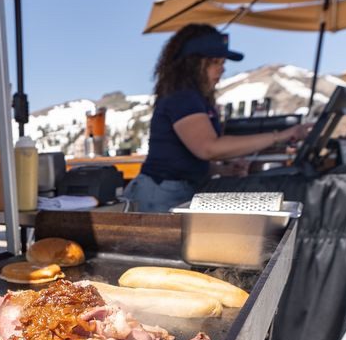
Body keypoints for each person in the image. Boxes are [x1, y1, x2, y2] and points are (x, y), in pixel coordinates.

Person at [123, 24, 312, 212]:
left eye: (223, 63)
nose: (222, 69)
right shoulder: (182, 97)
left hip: (177, 190)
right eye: (215, 62)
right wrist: (280, 136)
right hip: (160, 195)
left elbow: (186, 159)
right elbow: (208, 148)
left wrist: (223, 170)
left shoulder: (194, 98)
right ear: (193, 63)